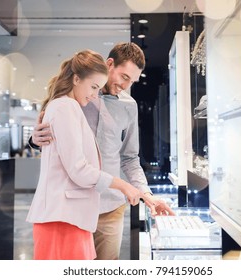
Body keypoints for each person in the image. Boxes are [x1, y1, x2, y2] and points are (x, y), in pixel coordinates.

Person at [29, 42, 174, 260]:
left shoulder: (129, 106)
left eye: (132, 81)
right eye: (124, 77)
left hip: (109, 206)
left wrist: (147, 195)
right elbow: (51, 137)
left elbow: (130, 159)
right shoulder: (74, 97)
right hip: (72, 206)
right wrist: (34, 140)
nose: (126, 85)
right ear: (109, 64)